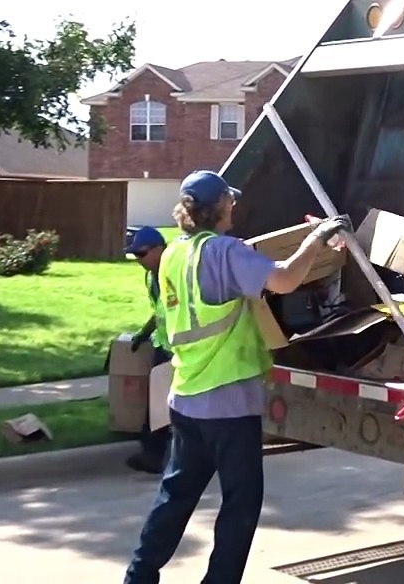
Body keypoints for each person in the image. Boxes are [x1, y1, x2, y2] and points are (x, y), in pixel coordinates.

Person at [124, 170, 350, 584]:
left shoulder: (175, 253)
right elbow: (283, 279)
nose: (235, 206)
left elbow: (221, 272)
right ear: (221, 207)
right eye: (230, 202)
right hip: (229, 403)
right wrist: (316, 240)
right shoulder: (225, 253)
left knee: (175, 496)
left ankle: (139, 577)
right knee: (240, 505)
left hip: (187, 397)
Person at [124, 225, 173, 475]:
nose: (139, 261)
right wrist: (144, 333)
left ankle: (154, 456)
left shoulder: (173, 272)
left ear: (159, 249)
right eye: (135, 256)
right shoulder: (152, 275)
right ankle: (154, 453)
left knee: (163, 406)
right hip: (164, 345)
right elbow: (160, 311)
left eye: (141, 254)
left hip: (180, 349)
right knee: (158, 404)